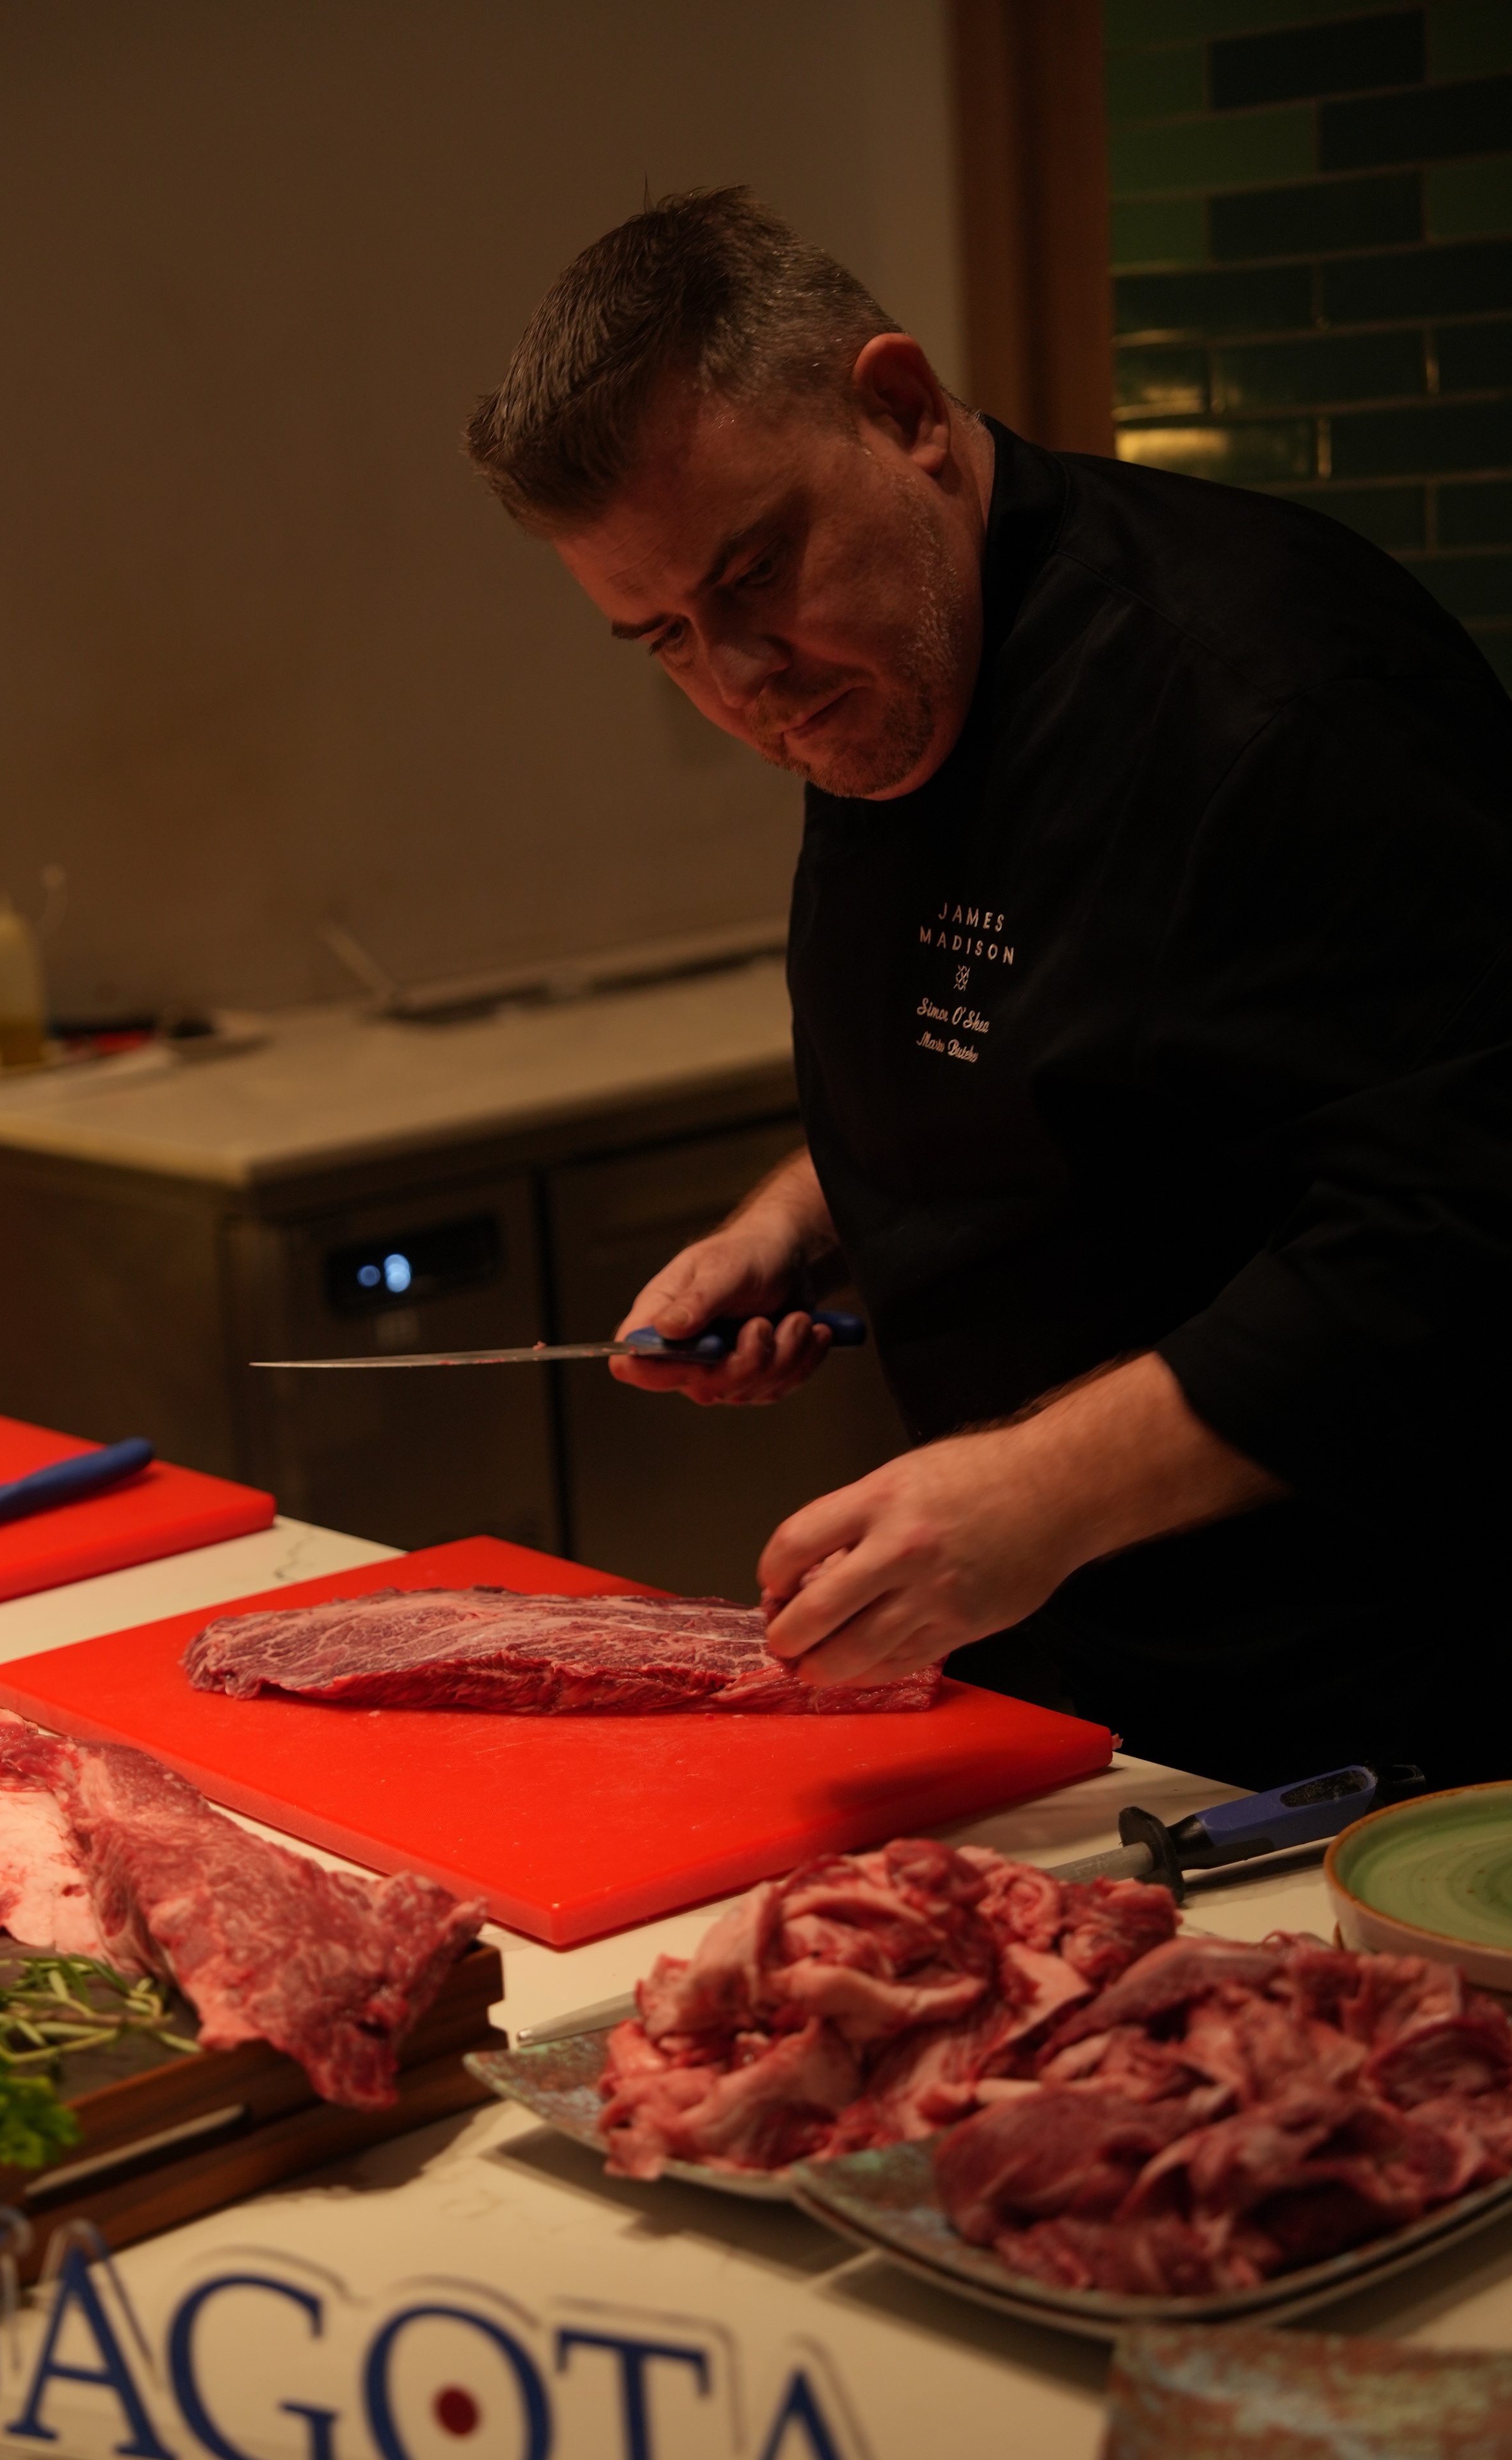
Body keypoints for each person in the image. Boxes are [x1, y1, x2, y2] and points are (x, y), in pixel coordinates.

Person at [464, 187, 1512, 1790]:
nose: (737, 684)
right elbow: (1045, 1049)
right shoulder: (886, 657)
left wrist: (1036, 1492)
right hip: (1064, 1686)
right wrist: (796, 1226)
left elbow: (1455, 1224)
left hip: (1369, 1717)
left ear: (901, 412)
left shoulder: (1275, 691)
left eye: (751, 573)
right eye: (661, 636)